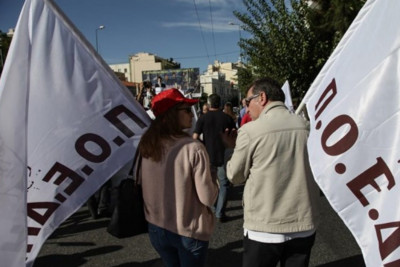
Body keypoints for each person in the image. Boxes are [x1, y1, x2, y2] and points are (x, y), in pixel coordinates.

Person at [222, 77, 320, 267]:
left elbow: (234, 175)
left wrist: (231, 148)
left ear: (262, 97)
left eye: (248, 101)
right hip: (303, 221)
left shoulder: (251, 130)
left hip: (265, 225)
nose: (247, 107)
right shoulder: (306, 126)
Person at [138, 88, 218, 267]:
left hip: (156, 227)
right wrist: (215, 180)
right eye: (187, 110)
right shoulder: (193, 148)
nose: (192, 114)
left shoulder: (147, 144)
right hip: (188, 228)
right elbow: (208, 197)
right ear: (172, 114)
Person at [193, 94, 236, 222]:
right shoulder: (227, 118)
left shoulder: (203, 118)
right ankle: (220, 212)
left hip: (208, 155)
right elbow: (235, 136)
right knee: (224, 184)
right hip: (224, 155)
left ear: (209, 103)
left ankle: (212, 207)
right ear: (220, 103)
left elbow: (194, 138)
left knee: (210, 183)